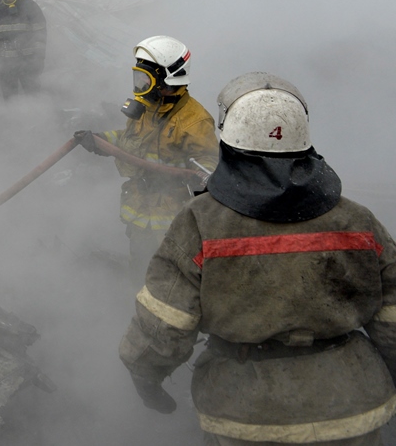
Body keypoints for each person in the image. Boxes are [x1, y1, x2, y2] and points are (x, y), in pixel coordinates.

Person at [119, 72, 396, 445]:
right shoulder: (358, 221)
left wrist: (146, 378)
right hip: (351, 410)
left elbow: (165, 324)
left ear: (230, 143)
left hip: (245, 415)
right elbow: (392, 322)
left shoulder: (200, 221)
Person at [75, 35, 218, 287]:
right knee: (140, 273)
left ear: (166, 79)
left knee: (172, 280)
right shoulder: (147, 108)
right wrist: (100, 140)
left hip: (172, 218)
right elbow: (130, 140)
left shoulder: (194, 120)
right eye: (138, 77)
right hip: (140, 210)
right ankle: (138, 311)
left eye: (145, 79)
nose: (139, 85)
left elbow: (209, 172)